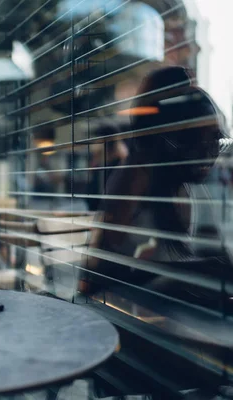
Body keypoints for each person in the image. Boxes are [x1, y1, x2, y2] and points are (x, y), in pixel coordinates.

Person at [80, 66, 232, 309]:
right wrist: (194, 272)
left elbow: (209, 248)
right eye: (198, 139)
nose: (210, 153)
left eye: (216, 139)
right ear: (173, 139)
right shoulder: (136, 176)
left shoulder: (184, 183)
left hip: (162, 309)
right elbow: (104, 274)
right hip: (127, 313)